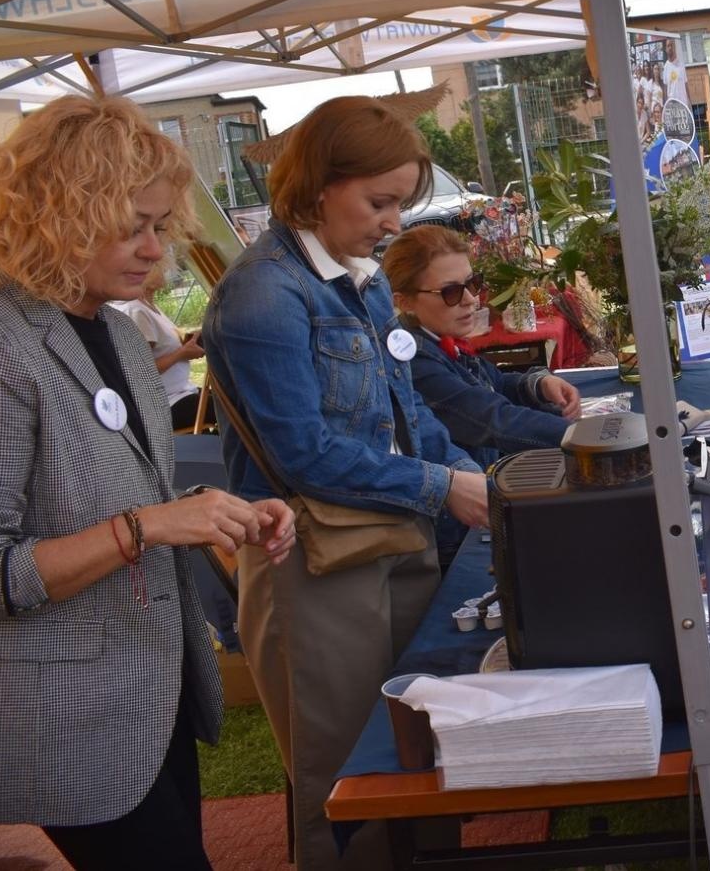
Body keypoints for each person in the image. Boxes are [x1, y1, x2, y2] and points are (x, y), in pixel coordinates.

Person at [0, 95, 294, 870]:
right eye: (133, 227)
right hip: (69, 711)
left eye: (160, 225)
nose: (156, 249)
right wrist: (148, 527)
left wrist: (215, 511)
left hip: (150, 687)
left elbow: (115, 498)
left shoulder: (117, 330)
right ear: (57, 215)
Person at [203, 95, 489, 871]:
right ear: (321, 185)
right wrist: (444, 484)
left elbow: (406, 411)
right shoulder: (263, 293)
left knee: (419, 740)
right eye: (380, 202)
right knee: (343, 773)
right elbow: (305, 453)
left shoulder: (358, 280)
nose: (393, 222)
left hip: (389, 530)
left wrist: (466, 474)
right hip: (308, 556)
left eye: (400, 202)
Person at [381, 226, 578, 567]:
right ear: (404, 301)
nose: (472, 299)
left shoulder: (440, 341)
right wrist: (583, 438)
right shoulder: (416, 361)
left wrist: (538, 383)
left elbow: (495, 383)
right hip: (462, 535)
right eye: (451, 292)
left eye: (473, 284)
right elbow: (492, 418)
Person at [111, 267, 213, 431]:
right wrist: (182, 353)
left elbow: (162, 348)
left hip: (181, 392)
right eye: (157, 266)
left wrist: (188, 342)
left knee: (231, 400)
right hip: (166, 403)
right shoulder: (136, 311)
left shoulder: (148, 306)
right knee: (233, 409)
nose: (165, 270)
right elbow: (141, 370)